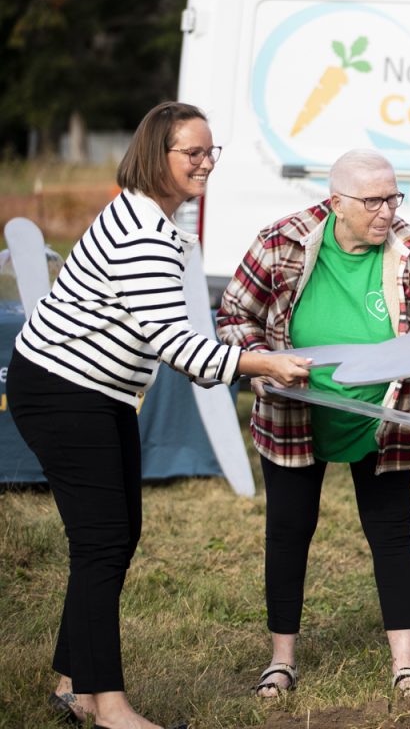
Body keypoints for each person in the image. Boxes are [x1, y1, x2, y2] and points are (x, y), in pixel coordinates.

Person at [7, 102, 310, 729]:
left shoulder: (152, 218)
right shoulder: (143, 234)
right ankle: (109, 706)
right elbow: (178, 348)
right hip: (66, 389)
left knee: (115, 536)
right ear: (156, 156)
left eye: (209, 152)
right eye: (190, 154)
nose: (204, 164)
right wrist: (265, 365)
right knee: (101, 542)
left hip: (98, 391)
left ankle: (75, 682)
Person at [216, 148, 410, 697]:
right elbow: (235, 315)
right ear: (336, 202)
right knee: (288, 533)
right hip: (294, 414)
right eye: (373, 200)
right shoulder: (280, 242)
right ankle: (281, 660)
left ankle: (406, 662)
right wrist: (260, 365)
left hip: (380, 420)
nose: (386, 211)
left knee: (392, 534)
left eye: (393, 197)